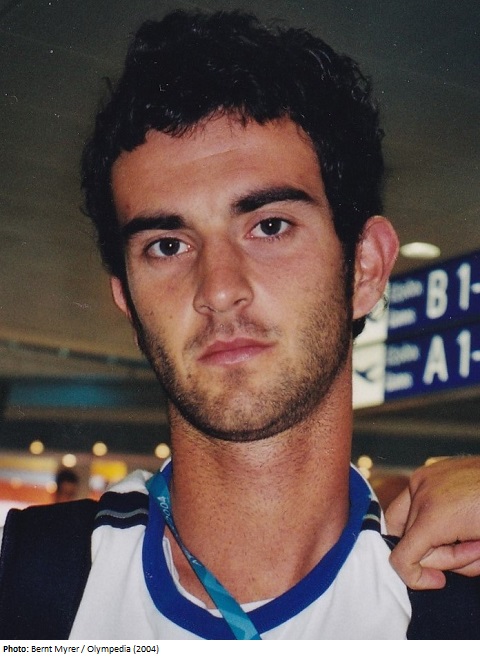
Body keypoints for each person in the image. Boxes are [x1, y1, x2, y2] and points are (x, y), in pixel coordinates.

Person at [2, 9, 480, 639]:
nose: (219, 289)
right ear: (129, 303)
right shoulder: (26, 582)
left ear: (365, 267)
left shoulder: (453, 610)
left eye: (270, 226)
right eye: (167, 245)